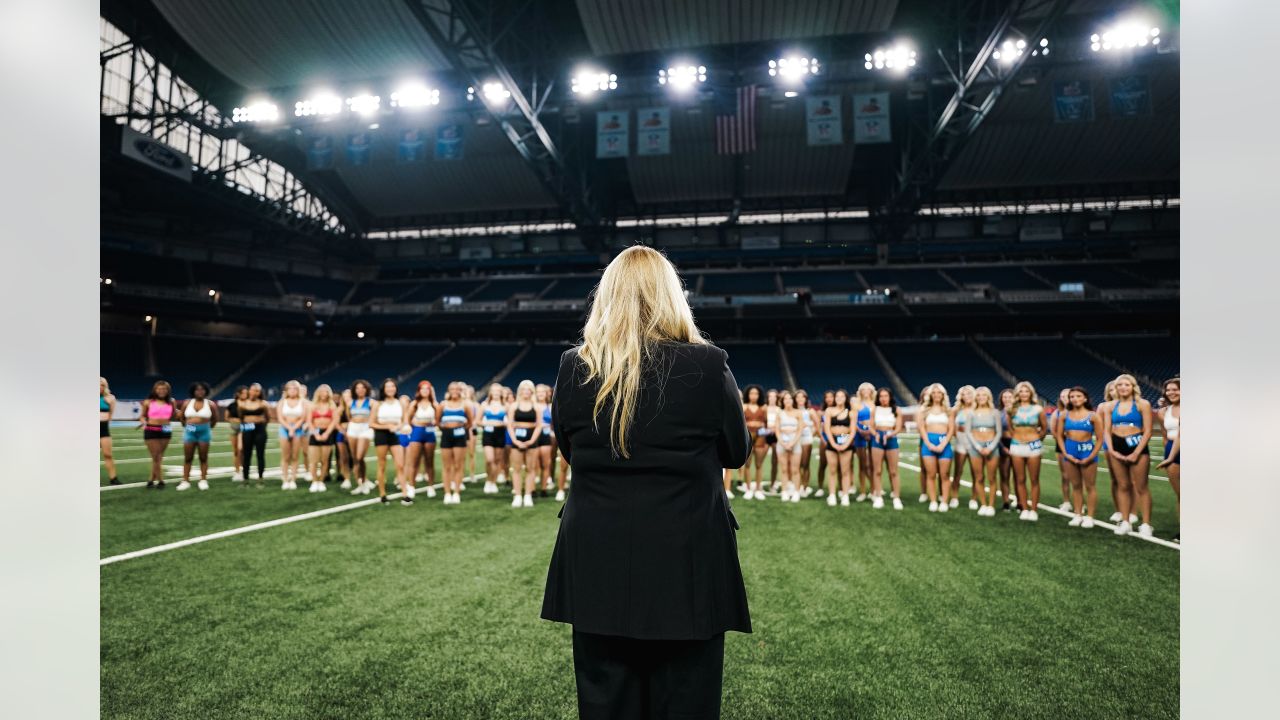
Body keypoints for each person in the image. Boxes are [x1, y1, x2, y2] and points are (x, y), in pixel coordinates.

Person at [541, 245, 750, 720]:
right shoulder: (709, 364)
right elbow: (735, 454)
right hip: (687, 561)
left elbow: (571, 451)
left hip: (596, 558)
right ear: (671, 296)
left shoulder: (575, 366)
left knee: (605, 703)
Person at [1103, 374, 1154, 537]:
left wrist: (1137, 453)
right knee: (1123, 486)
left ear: (1133, 387)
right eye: (1120, 385)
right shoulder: (1110, 406)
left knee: (1141, 487)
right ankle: (1125, 522)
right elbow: (1106, 430)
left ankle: (1146, 524)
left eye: (1127, 384)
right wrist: (1111, 450)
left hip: (1137, 446)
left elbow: (1148, 431)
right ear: (1116, 388)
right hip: (1116, 445)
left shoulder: (1142, 404)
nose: (1123, 387)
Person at [1053, 386, 1104, 528]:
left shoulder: (1093, 416)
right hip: (1070, 452)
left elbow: (1100, 438)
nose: (1075, 399)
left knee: (1090, 486)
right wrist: (1066, 454)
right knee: (1075, 486)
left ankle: (1090, 516)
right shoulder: (1064, 415)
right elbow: (1059, 435)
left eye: (1078, 396)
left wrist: (1091, 456)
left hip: (1087, 451)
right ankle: (1077, 514)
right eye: (1072, 396)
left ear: (1085, 398)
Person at [1007, 381, 1047, 521]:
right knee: (1020, 479)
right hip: (1017, 445)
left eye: (1027, 391)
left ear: (1031, 393)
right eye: (1021, 391)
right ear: (1017, 394)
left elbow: (1044, 428)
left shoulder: (1038, 409)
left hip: (1033, 446)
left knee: (1034, 479)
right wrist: (1017, 437)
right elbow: (1010, 428)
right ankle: (1024, 508)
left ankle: (1034, 509)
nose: (1024, 394)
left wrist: (1036, 440)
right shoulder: (1012, 409)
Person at [506, 379, 544, 507]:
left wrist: (532, 440)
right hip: (517, 439)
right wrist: (515, 440)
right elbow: (510, 425)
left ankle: (528, 495)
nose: (526, 392)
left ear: (532, 391)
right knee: (516, 469)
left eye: (528, 389)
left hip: (531, 440)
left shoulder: (537, 407)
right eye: (523, 389)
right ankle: (517, 495)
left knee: (530, 469)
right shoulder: (514, 406)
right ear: (520, 391)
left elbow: (539, 425)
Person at [918, 383, 955, 513]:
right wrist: (928, 444)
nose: (936, 395)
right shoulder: (924, 410)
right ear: (930, 395)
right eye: (934, 393)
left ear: (943, 395)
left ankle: (944, 501)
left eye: (939, 393)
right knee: (931, 474)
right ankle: (933, 501)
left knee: (944, 475)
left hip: (944, 443)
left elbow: (951, 429)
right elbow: (922, 428)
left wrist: (943, 444)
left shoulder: (948, 410)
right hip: (928, 444)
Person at [965, 387, 1003, 517]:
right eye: (979, 395)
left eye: (984, 395)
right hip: (976, 448)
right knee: (979, 477)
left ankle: (991, 505)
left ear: (988, 397)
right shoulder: (971, 413)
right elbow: (968, 431)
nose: (981, 397)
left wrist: (991, 447)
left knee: (992, 477)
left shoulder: (995, 412)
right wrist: (978, 447)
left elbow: (998, 432)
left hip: (991, 446)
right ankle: (983, 504)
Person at [371, 378, 407, 505]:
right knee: (382, 465)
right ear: (383, 389)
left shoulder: (400, 403)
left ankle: (405, 494)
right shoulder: (378, 404)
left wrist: (399, 426)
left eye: (392, 386)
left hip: (395, 435)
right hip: (381, 435)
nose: (390, 389)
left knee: (400, 465)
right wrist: (387, 426)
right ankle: (382, 494)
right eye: (388, 387)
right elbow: (371, 423)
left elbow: (404, 420)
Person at [437, 382, 473, 505]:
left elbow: (470, 422)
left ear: (460, 390)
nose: (454, 391)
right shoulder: (443, 405)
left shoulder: (465, 405)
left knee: (458, 465)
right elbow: (437, 421)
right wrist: (447, 428)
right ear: (448, 390)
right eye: (452, 389)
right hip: (446, 436)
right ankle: (447, 493)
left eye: (457, 389)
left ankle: (456, 492)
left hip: (460, 436)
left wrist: (460, 428)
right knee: (447, 466)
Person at [177, 381, 217, 491]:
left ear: (206, 391)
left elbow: (215, 419)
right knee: (188, 457)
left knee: (203, 457)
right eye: (197, 389)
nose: (200, 391)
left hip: (204, 433)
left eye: (202, 389)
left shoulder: (210, 404)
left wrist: (206, 428)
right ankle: (185, 481)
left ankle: (203, 480)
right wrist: (188, 427)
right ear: (193, 391)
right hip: (189, 433)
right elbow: (181, 418)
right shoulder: (186, 403)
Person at [140, 380, 177, 489]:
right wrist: (143, 422)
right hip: (151, 428)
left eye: (164, 389)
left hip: (166, 428)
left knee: (159, 456)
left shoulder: (172, 401)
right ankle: (161, 480)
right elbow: (142, 416)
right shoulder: (148, 402)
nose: (162, 391)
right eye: (159, 389)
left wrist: (182, 415)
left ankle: (151, 479)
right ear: (155, 390)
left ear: (168, 390)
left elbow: (174, 414)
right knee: (156, 455)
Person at [404, 381, 439, 500]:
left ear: (430, 391)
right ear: (419, 391)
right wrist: (414, 424)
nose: (425, 391)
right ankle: (412, 487)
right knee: (414, 461)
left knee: (429, 462)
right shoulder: (414, 403)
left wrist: (433, 423)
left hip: (429, 432)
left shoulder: (434, 404)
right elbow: (407, 419)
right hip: (417, 432)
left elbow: (438, 420)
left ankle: (431, 486)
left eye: (427, 389)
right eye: (422, 389)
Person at [870, 388, 903, 510]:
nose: (883, 398)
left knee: (893, 471)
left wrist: (890, 435)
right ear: (878, 398)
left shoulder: (897, 410)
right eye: (881, 396)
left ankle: (896, 497)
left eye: (886, 396)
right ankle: (878, 497)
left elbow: (898, 427)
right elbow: (871, 426)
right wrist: (876, 434)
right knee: (877, 470)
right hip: (878, 439)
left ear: (890, 397)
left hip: (891, 438)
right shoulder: (875, 409)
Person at [1157, 378, 1180, 542]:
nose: (1171, 392)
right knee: (1180, 495)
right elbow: (1165, 436)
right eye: (1169, 390)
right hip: (1171, 448)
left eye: (1176, 389)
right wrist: (1168, 456)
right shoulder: (1163, 411)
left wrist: (1170, 456)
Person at [822, 389, 855, 507]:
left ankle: (845, 495)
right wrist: (833, 443)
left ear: (846, 398)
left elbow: (852, 431)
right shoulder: (829, 410)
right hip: (832, 442)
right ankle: (832, 495)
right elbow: (827, 429)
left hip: (846, 442)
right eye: (837, 396)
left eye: (842, 396)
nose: (840, 399)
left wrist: (846, 444)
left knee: (845, 471)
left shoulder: (851, 412)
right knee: (832, 470)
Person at [306, 384, 339, 492]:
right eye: (321, 391)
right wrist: (315, 434)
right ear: (318, 393)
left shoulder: (332, 405)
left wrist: (327, 433)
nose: (323, 394)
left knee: (325, 461)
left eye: (326, 392)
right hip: (315, 432)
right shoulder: (313, 405)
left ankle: (321, 481)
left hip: (327, 433)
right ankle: (314, 481)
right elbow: (309, 422)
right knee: (313, 461)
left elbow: (334, 421)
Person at [277, 380, 308, 490]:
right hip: (284, 429)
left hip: (298, 430)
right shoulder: (282, 402)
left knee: (295, 456)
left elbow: (303, 418)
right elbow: (280, 418)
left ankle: (293, 479)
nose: (293, 390)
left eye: (295, 388)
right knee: (285, 456)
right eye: (290, 388)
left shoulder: (302, 402)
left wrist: (294, 428)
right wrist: (289, 428)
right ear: (286, 390)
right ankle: (285, 479)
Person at [773, 390, 804, 503]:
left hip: (795, 444)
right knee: (784, 469)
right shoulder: (779, 413)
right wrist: (783, 442)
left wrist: (792, 443)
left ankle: (796, 492)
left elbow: (800, 430)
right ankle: (785, 492)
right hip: (782, 444)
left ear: (793, 400)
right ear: (782, 401)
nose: (788, 401)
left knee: (795, 469)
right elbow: (777, 430)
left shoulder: (798, 413)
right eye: (785, 399)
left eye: (790, 398)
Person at [739, 385, 768, 501]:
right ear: (748, 394)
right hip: (748, 436)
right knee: (747, 464)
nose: (754, 396)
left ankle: (758, 489)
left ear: (759, 395)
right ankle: (748, 489)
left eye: (756, 394)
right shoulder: (744, 406)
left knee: (759, 465)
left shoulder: (764, 407)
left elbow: (766, 423)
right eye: (751, 393)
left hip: (761, 437)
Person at [346, 380, 375, 494]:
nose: (360, 390)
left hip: (365, 429)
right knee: (354, 459)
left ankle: (364, 480)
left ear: (366, 389)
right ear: (354, 390)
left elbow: (372, 417)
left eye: (363, 388)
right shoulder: (350, 402)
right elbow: (349, 417)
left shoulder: (371, 402)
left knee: (359, 457)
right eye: (357, 388)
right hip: (353, 429)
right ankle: (360, 483)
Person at [238, 383, 269, 488]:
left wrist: (260, 424)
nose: (254, 392)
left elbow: (267, 418)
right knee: (246, 455)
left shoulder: (263, 404)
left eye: (257, 391)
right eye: (252, 390)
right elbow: (241, 418)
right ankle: (245, 480)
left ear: (260, 393)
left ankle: (260, 479)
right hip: (247, 428)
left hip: (260, 429)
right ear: (249, 391)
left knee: (260, 455)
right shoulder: (243, 404)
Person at [480, 383, 509, 495]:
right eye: (494, 391)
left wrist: (503, 423)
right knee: (489, 460)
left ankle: (493, 482)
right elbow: (477, 421)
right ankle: (488, 480)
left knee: (497, 461)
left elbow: (509, 422)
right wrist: (486, 422)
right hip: (488, 434)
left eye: (498, 391)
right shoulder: (484, 404)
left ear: (501, 393)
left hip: (500, 434)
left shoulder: (506, 405)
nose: (496, 393)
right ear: (490, 392)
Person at [950, 385, 975, 510]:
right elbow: (952, 428)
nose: (966, 396)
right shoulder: (956, 409)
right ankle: (954, 497)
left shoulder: (977, 409)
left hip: (975, 444)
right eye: (964, 394)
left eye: (969, 394)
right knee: (957, 472)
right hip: (960, 442)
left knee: (976, 473)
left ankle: (974, 499)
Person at [852, 383, 876, 502]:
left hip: (874, 436)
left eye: (868, 389)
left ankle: (873, 490)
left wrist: (872, 431)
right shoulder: (856, 404)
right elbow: (854, 420)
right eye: (863, 389)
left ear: (872, 391)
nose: (866, 391)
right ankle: (862, 492)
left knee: (873, 466)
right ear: (859, 391)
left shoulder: (876, 404)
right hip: (859, 436)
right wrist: (861, 431)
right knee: (862, 466)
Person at [536, 384, 560, 501]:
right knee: (535, 462)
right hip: (534, 436)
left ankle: (546, 483)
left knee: (548, 460)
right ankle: (533, 486)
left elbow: (554, 422)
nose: (541, 394)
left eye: (543, 392)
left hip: (548, 436)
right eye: (538, 392)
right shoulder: (533, 406)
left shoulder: (550, 406)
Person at [1050, 387, 1072, 512]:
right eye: (1062, 396)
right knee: (1065, 476)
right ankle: (1066, 501)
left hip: (1078, 445)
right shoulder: (1056, 413)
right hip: (1062, 445)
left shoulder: (1081, 412)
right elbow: (1054, 432)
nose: (1065, 398)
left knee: (1079, 477)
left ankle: (1081, 502)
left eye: (1067, 396)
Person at [997, 388, 1016, 511]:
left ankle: (1020, 501)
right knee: (1004, 475)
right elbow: (995, 432)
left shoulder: (1019, 411)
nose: (1007, 399)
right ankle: (1006, 502)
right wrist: (1002, 447)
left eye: (1010, 397)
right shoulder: (997, 413)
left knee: (1019, 476)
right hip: (1002, 443)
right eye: (1005, 397)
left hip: (1016, 443)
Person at [795, 389, 816, 499]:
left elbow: (818, 426)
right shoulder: (793, 410)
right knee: (796, 465)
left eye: (802, 397)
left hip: (806, 439)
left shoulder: (810, 411)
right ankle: (797, 485)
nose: (800, 399)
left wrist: (811, 434)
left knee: (805, 464)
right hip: (795, 439)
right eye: (798, 397)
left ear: (806, 399)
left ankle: (805, 486)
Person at [100, 377, 120, 485]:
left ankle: (113, 478)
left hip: (103, 429)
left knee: (108, 455)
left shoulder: (110, 398)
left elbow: (110, 415)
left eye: (102, 385)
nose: (100, 387)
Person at [225, 385, 247, 482]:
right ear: (238, 394)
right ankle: (237, 471)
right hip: (234, 427)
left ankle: (244, 470)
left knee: (242, 450)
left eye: (246, 393)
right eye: (243, 393)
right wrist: (232, 419)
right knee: (236, 451)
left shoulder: (248, 404)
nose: (245, 395)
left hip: (245, 427)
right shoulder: (232, 405)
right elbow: (226, 417)